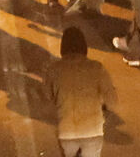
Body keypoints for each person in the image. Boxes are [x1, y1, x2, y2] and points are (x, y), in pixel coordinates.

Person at [45, 26, 118, 157]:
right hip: (92, 130)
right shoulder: (97, 68)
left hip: (66, 131)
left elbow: (48, 97)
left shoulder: (53, 69)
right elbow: (112, 102)